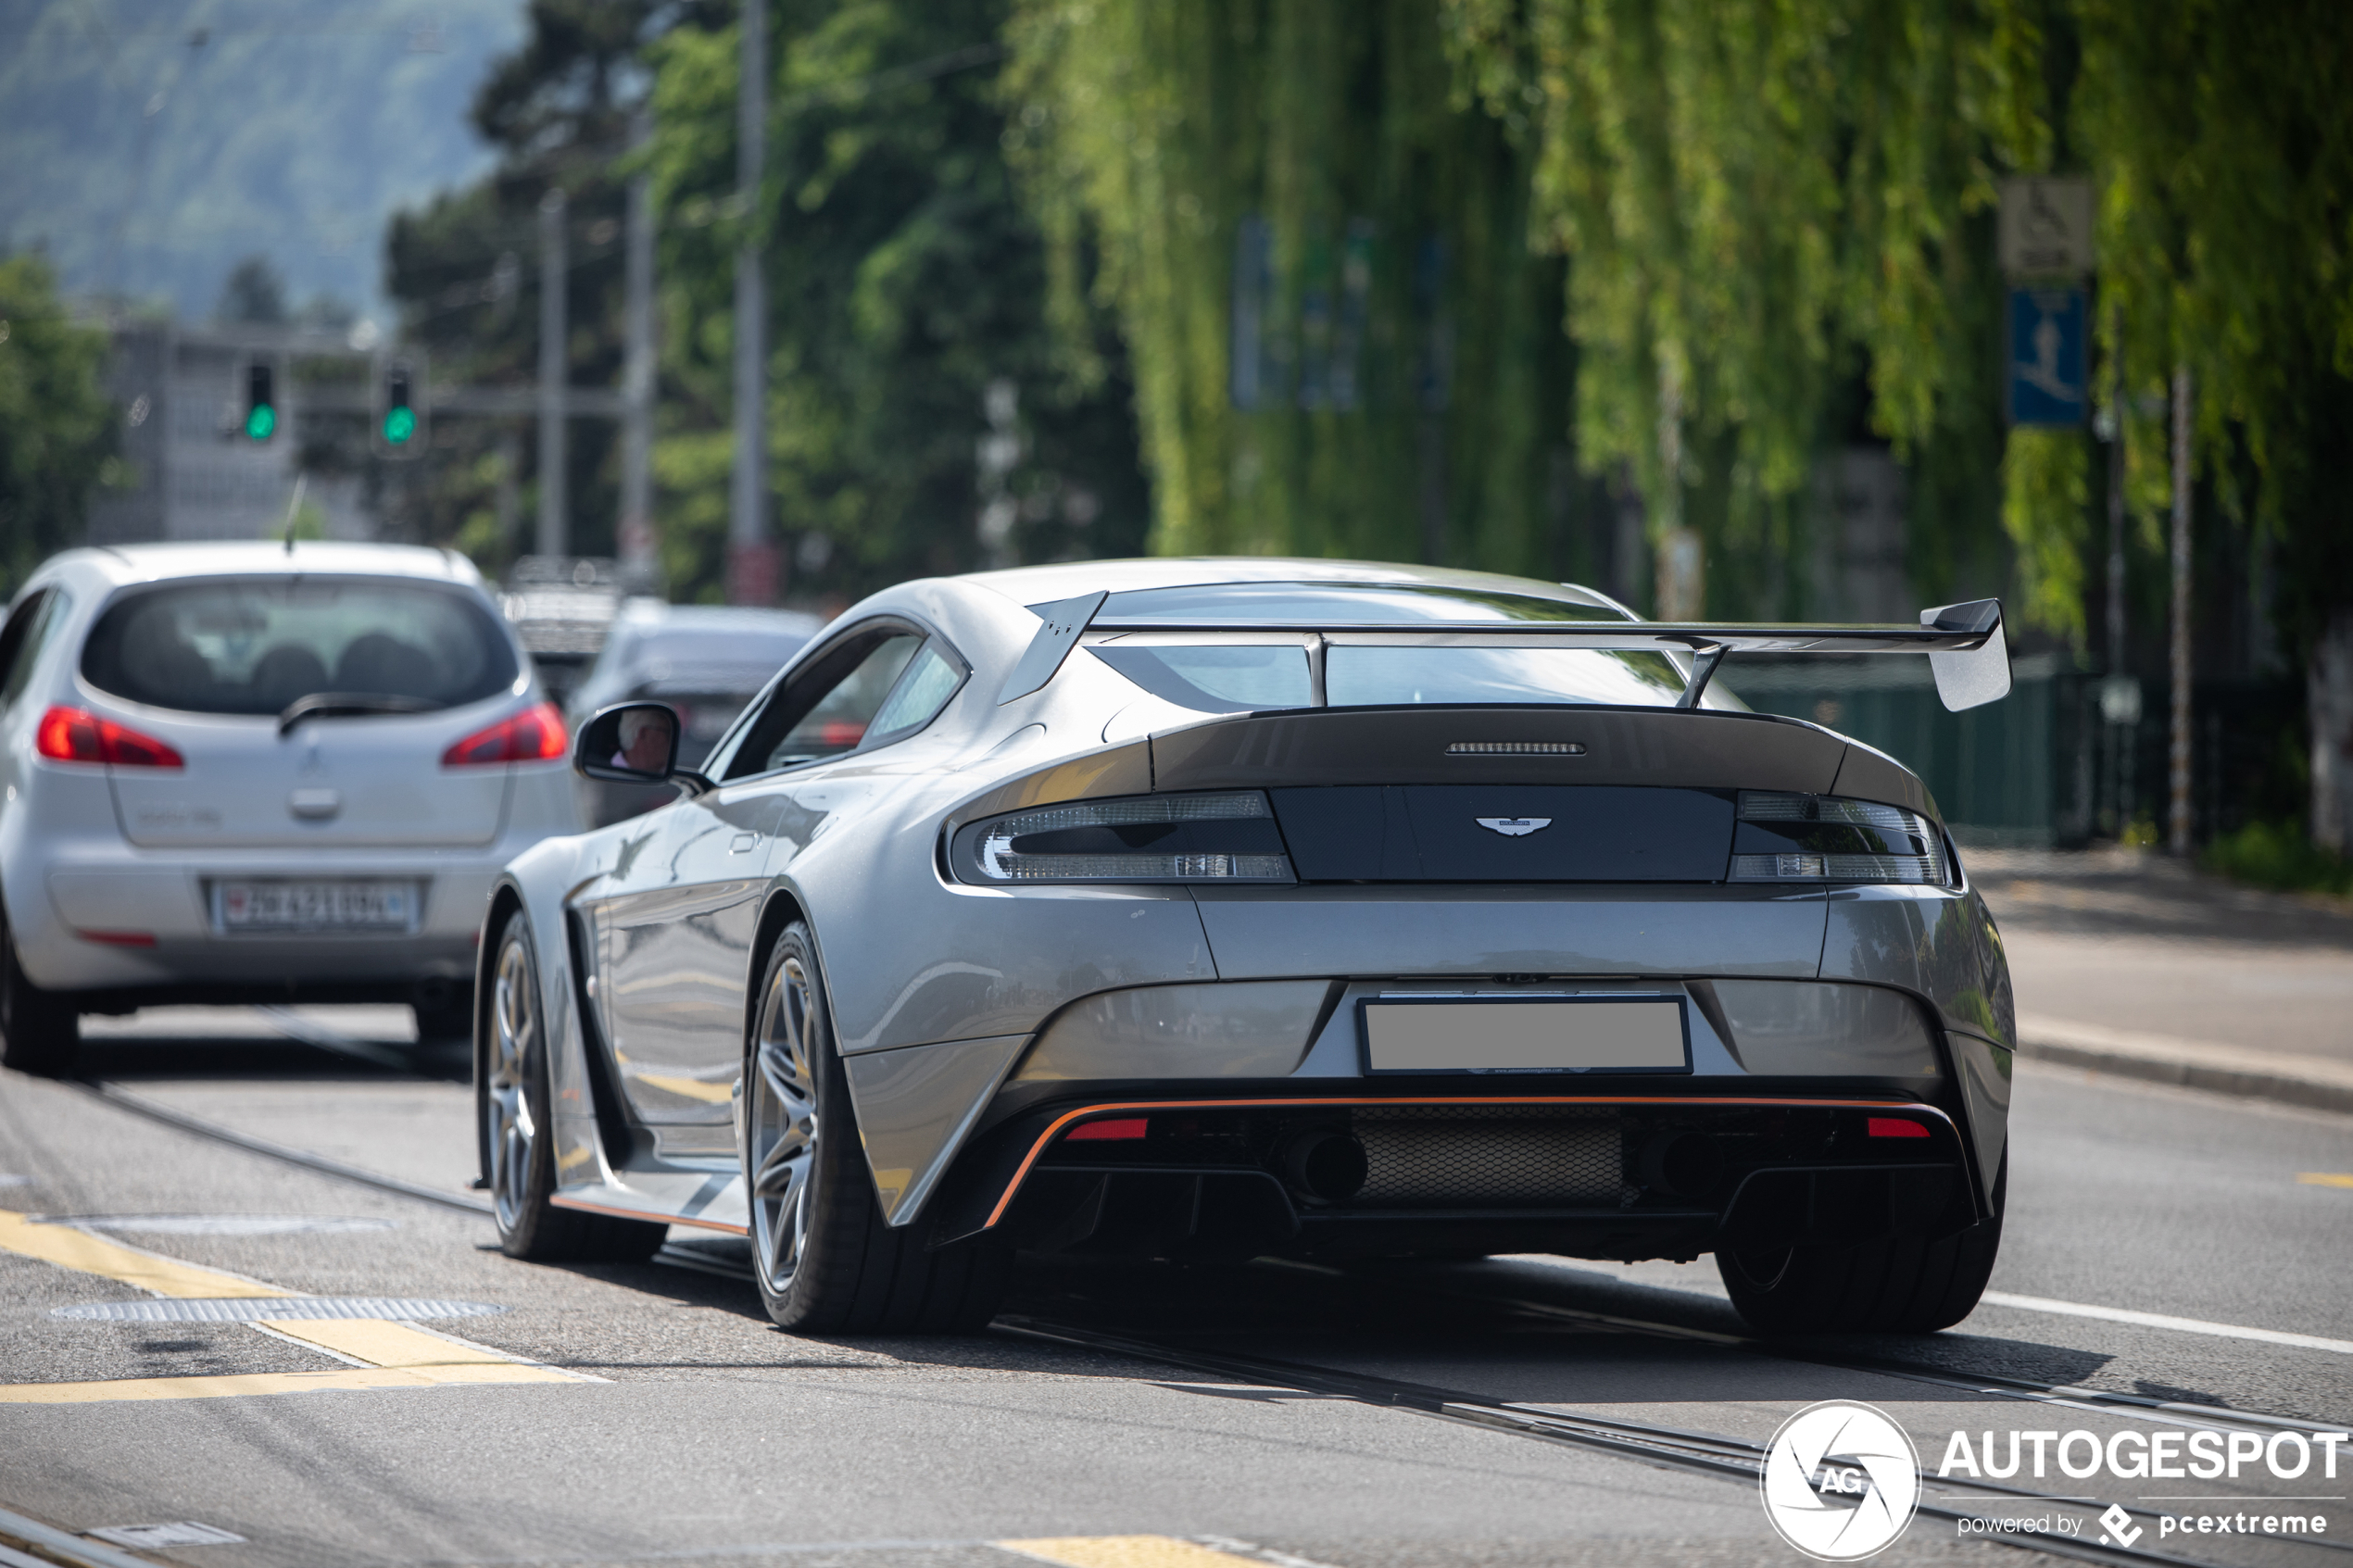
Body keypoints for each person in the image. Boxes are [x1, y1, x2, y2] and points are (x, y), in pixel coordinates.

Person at [612, 708, 672, 773]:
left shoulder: (665, 773)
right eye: (668, 732)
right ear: (644, 734)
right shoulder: (612, 774)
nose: (671, 740)